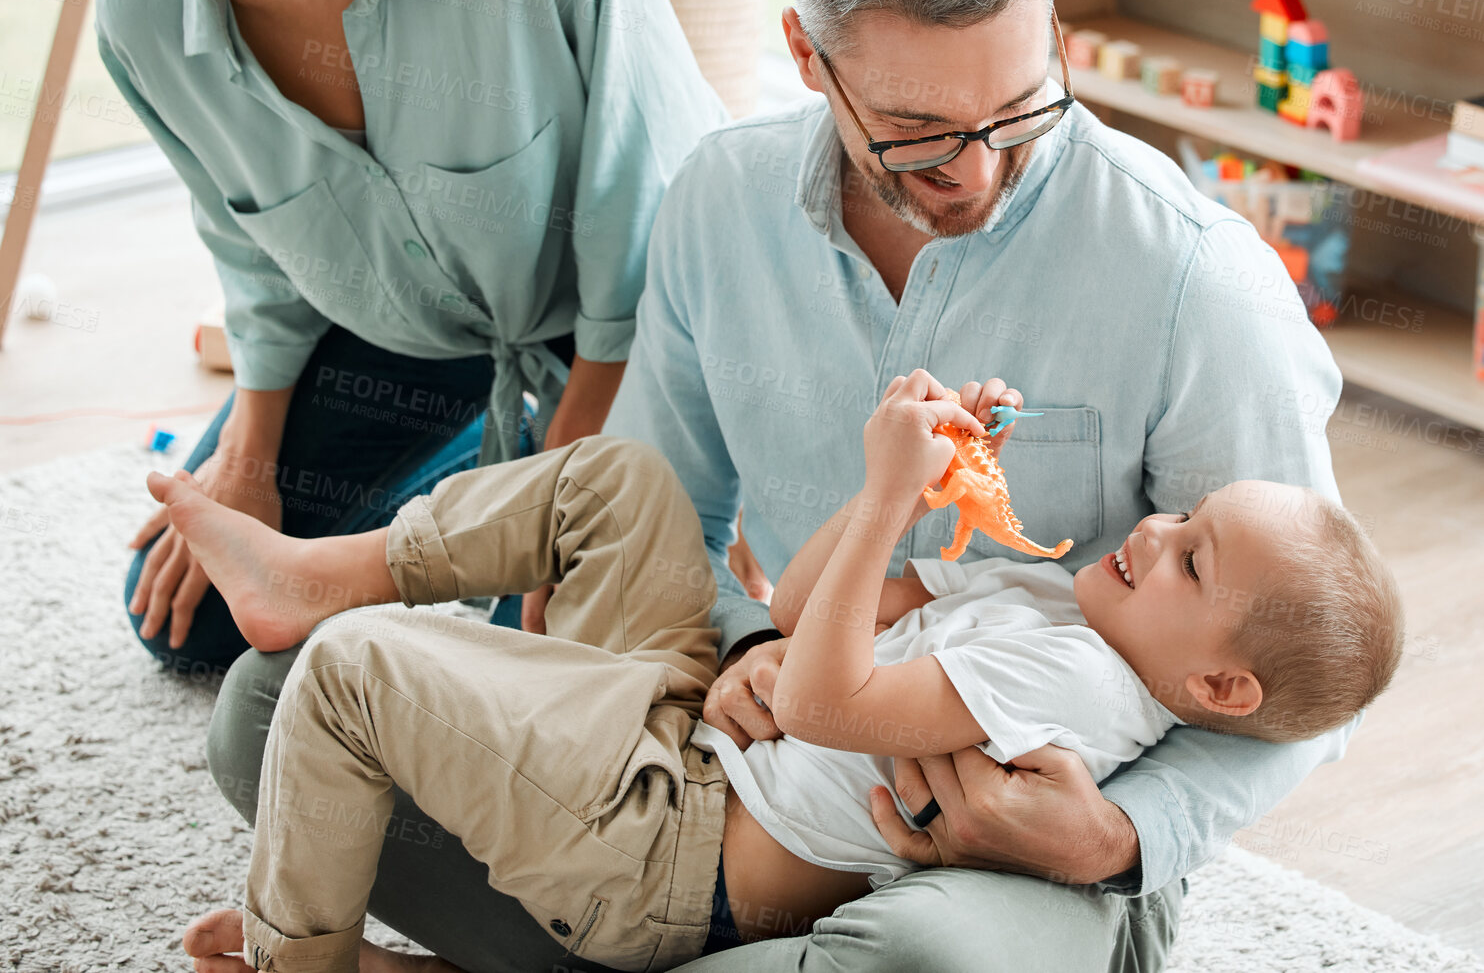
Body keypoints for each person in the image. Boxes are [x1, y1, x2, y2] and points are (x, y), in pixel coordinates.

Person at [207, 0, 1357, 973]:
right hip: (737, 742)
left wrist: (1114, 837)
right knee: (272, 708)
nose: (977, 171)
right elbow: (670, 513)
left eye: (1016, 112)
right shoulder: (724, 196)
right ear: (807, 56)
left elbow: (1300, 679)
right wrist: (755, 642)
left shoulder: (1196, 281)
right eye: (915, 133)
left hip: (1001, 857)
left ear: (1051, 37)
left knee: (920, 961)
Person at [155, 372, 1402, 973]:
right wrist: (902, 500)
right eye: (1180, 518)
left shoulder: (1081, 689)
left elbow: (823, 700)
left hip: (669, 850)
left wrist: (879, 498)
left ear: (1220, 689)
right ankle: (322, 571)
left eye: (1190, 559)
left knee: (360, 674)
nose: (1150, 531)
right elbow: (803, 611)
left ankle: (295, 964)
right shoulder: (1047, 596)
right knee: (623, 479)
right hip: (696, 737)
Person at [97, 0, 726, 673]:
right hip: (400, 340)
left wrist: (559, 492)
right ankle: (445, 517)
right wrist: (246, 467)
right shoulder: (143, 19)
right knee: (185, 616)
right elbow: (254, 253)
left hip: (625, 329)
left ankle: (435, 534)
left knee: (568, 638)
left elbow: (646, 222)